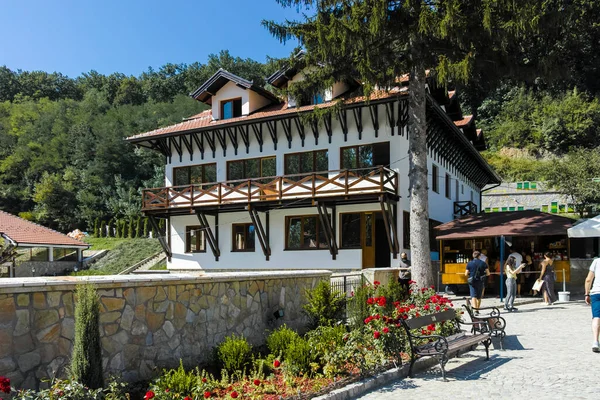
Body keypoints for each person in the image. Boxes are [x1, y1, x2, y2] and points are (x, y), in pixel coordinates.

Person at [584, 257, 600, 353]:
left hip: (596, 293)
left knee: (596, 317)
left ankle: (595, 341)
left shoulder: (597, 261)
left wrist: (586, 293)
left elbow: (588, 279)